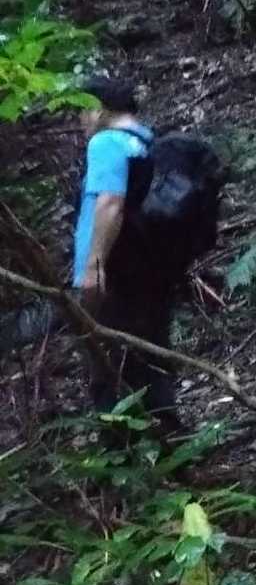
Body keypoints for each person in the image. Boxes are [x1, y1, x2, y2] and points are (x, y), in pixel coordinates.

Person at [72, 76, 176, 432]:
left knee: (109, 365)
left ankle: (122, 448)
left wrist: (93, 267)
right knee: (150, 357)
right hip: (150, 270)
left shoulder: (107, 142)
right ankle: (166, 438)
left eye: (82, 111)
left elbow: (110, 203)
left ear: (98, 108)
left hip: (115, 274)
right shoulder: (148, 141)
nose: (80, 121)